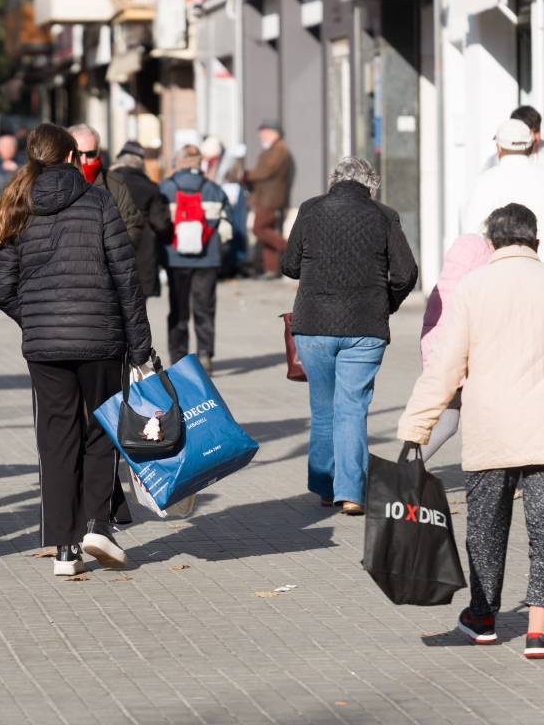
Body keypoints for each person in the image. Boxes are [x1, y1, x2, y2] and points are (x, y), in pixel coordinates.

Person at [397, 203, 544, 659]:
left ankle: (483, 616)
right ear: (535, 241)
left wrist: (416, 428)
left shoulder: (473, 288)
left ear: (490, 244)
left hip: (489, 427)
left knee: (486, 525)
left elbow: (445, 367)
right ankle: (539, 632)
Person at [0, 123, 152, 578]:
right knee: (103, 428)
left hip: (45, 349)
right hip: (102, 338)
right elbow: (126, 278)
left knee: (56, 440)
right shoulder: (97, 200)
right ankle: (98, 524)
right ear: (73, 157)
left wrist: (36, 318)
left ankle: (65, 549)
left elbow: (0, 288)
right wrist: (141, 347)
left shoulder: (15, 204)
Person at [282, 157, 418, 516]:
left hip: (313, 325)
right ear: (371, 186)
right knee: (352, 410)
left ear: (333, 181)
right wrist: (385, 303)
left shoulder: (310, 210)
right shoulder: (384, 215)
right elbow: (406, 273)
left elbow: (289, 265)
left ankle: (326, 487)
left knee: (323, 410)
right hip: (365, 328)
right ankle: (352, 493)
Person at [462, 118, 544, 270]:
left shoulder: (485, 182)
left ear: (498, 148)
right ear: (531, 146)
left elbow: (471, 232)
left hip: (502, 276)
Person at [417, 234, 493, 460]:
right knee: (478, 422)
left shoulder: (444, 286)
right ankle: (406, 470)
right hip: (459, 362)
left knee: (448, 423)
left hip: (440, 359)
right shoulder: (470, 290)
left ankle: (407, 468)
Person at [160, 144, 231, 373]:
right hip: (207, 259)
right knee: (205, 309)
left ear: (179, 162)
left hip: (175, 258)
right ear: (199, 163)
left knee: (178, 309)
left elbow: (159, 223)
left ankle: (179, 359)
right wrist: (216, 248)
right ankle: (204, 355)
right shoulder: (213, 189)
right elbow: (227, 228)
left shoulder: (166, 188)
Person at [482, 106, 544, 211]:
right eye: (529, 132)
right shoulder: (497, 161)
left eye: (537, 131)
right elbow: (486, 196)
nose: (535, 137)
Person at [108, 140, 171, 299]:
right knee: (139, 311)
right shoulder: (150, 187)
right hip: (143, 254)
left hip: (111, 249)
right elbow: (161, 224)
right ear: (140, 163)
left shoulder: (106, 182)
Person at [68, 123, 144, 247]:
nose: (83, 160)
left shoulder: (115, 183)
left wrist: (113, 254)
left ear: (98, 153)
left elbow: (133, 225)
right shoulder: (53, 181)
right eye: (78, 153)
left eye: (90, 154)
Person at [243, 119, 294, 278]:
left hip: (270, 199)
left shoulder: (279, 150)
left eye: (264, 134)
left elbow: (266, 171)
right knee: (267, 232)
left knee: (259, 229)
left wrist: (246, 175)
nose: (261, 137)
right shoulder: (273, 149)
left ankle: (291, 249)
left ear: (274, 133)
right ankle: (272, 269)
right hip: (265, 197)